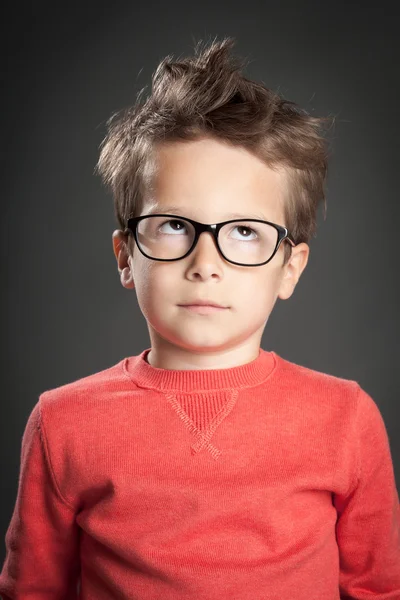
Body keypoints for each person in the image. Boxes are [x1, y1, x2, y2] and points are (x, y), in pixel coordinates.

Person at [1, 36, 399, 600]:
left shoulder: (348, 420)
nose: (205, 264)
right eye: (174, 226)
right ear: (125, 256)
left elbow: (377, 589)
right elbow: (33, 590)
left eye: (244, 232)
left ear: (290, 267)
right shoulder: (62, 424)